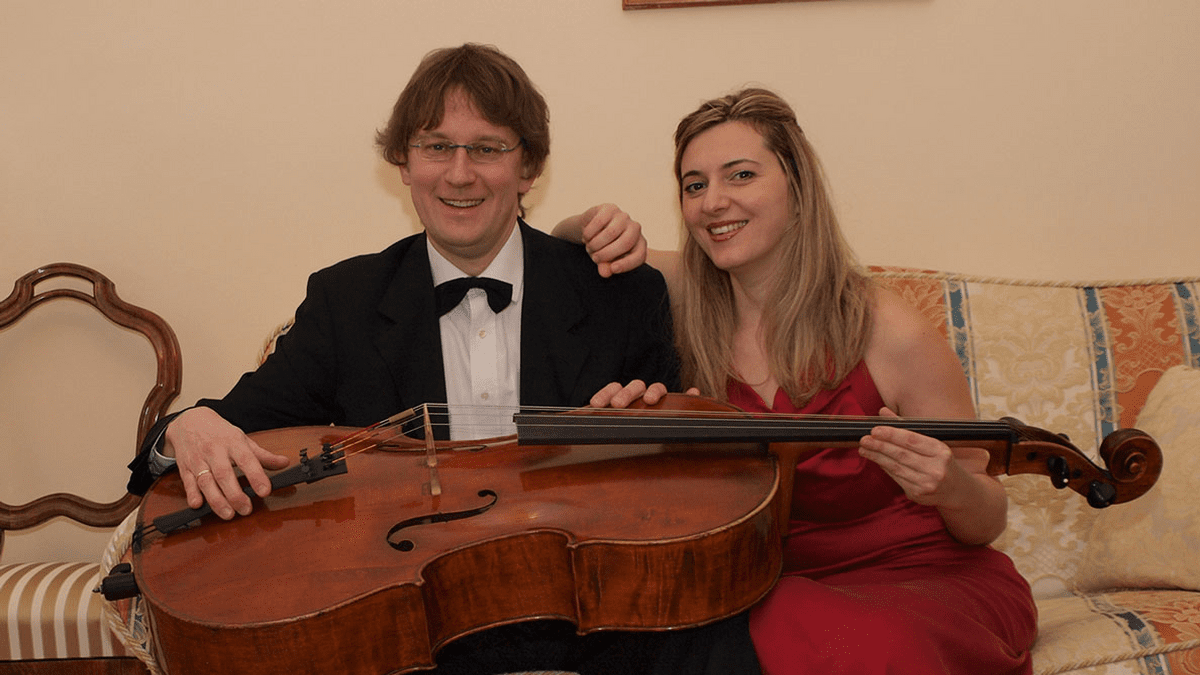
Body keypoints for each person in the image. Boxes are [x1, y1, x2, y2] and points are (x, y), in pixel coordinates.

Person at [122, 44, 749, 674]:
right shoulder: (346, 303)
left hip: (594, 622)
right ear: (404, 163)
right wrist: (188, 428)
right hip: (407, 638)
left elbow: (676, 490)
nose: (459, 173)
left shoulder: (620, 292)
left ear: (528, 167)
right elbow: (231, 426)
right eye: (436, 146)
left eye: (487, 148)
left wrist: (654, 424)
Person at [565, 88, 1039, 674]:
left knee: (862, 642)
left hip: (929, 580)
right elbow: (565, 256)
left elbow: (987, 518)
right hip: (777, 590)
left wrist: (949, 486)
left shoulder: (889, 329)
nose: (713, 202)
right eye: (694, 185)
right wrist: (592, 224)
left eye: (741, 175)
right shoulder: (683, 295)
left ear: (797, 186)